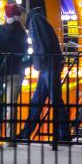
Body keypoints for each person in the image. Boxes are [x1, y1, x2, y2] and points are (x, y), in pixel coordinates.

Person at [17, 8, 70, 142]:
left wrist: (35, 62)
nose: (21, 23)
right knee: (39, 100)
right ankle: (27, 133)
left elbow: (41, 44)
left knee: (52, 100)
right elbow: (44, 43)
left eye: (20, 18)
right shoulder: (38, 19)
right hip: (48, 64)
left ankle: (63, 134)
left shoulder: (34, 20)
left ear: (22, 15)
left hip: (48, 64)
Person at [0, 4, 27, 139]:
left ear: (6, 16)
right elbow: (24, 52)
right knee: (11, 106)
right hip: (15, 71)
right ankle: (10, 137)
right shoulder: (22, 34)